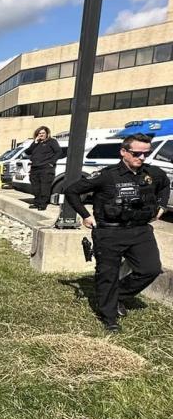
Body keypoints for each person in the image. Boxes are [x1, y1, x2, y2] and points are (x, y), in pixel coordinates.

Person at [64, 134, 170, 331]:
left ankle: (119, 295)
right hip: (109, 232)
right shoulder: (107, 175)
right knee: (108, 274)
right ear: (123, 152)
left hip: (140, 231)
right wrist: (86, 215)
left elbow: (165, 185)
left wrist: (162, 206)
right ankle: (109, 317)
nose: (142, 157)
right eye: (137, 153)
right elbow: (71, 191)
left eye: (146, 153)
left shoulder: (153, 173)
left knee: (151, 269)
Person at [23, 125, 60, 210]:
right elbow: (28, 152)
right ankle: (36, 203)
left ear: (47, 134)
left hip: (46, 168)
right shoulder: (36, 143)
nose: (41, 135)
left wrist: (51, 163)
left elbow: (58, 152)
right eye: (39, 133)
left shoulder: (52, 141)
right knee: (35, 187)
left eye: (43, 133)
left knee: (44, 187)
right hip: (35, 168)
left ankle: (42, 205)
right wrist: (35, 142)